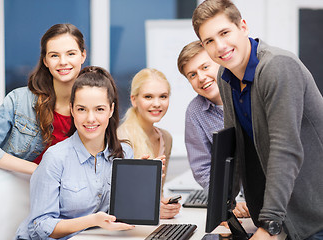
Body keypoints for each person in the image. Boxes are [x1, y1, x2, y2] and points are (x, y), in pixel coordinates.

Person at [192, 0, 323, 239]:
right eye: (209, 41)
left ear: (243, 27)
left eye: (224, 33)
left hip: (314, 214)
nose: (220, 46)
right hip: (283, 213)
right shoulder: (225, 75)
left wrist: (269, 224)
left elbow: (285, 150)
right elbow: (234, 148)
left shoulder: (277, 67)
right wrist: (225, 207)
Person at [15, 66, 135, 240]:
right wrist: (92, 220)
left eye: (99, 109)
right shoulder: (55, 157)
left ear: (111, 109)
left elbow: (124, 211)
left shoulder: (124, 154)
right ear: (71, 109)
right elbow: (40, 227)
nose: (90, 118)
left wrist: (145, 189)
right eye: (82, 109)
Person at [0, 23, 86, 174]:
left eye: (70, 54)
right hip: (19, 190)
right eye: (54, 55)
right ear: (45, 61)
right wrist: (40, 170)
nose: (63, 61)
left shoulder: (92, 107)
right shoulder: (19, 100)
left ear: (83, 55)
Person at [177, 40, 249, 219]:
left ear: (220, 63)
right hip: (237, 207)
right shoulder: (195, 112)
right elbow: (203, 168)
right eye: (192, 75)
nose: (200, 78)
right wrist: (227, 202)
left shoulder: (249, 93)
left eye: (205, 67)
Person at [117, 68, 180, 219]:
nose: (157, 103)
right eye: (148, 97)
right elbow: (117, 199)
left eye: (163, 96)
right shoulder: (120, 139)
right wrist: (151, 209)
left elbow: (158, 191)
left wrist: (163, 204)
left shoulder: (166, 138)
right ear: (134, 100)